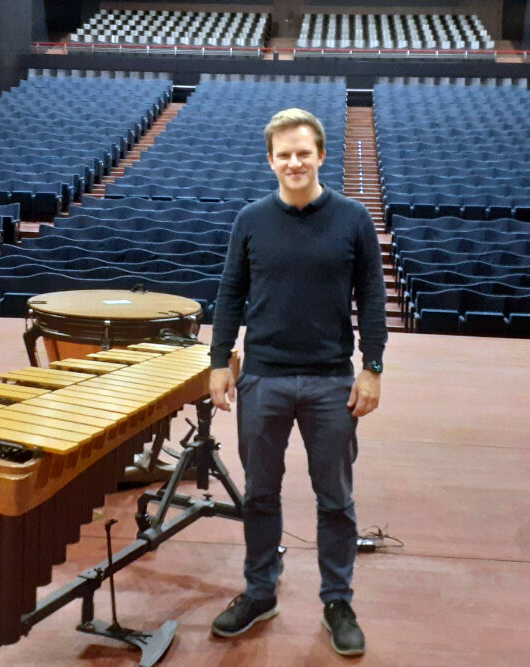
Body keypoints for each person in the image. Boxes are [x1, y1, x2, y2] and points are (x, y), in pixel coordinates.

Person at [207, 108, 388, 657]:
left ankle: (337, 600)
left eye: (303, 152)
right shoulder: (251, 219)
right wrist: (219, 361)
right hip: (263, 377)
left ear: (321, 156)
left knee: (335, 498)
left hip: (332, 381)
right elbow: (230, 293)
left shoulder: (354, 219)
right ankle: (260, 591)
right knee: (260, 495)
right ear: (270, 160)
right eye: (284, 154)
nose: (294, 162)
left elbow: (373, 298)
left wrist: (373, 366)